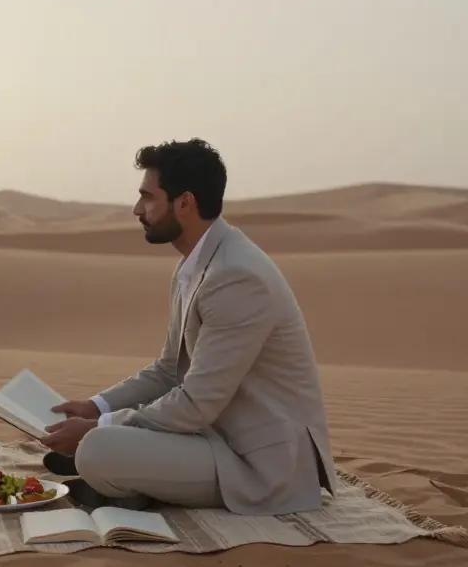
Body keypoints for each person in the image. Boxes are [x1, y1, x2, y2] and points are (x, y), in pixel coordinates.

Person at [39, 139, 338, 516]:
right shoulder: (195, 265)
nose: (137, 209)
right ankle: (122, 476)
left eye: (147, 197)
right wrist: (96, 405)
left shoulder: (235, 276)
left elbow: (197, 404)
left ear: (184, 203)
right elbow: (168, 369)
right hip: (214, 437)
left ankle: (116, 475)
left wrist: (99, 426)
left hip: (261, 464)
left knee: (99, 449)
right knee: (102, 443)